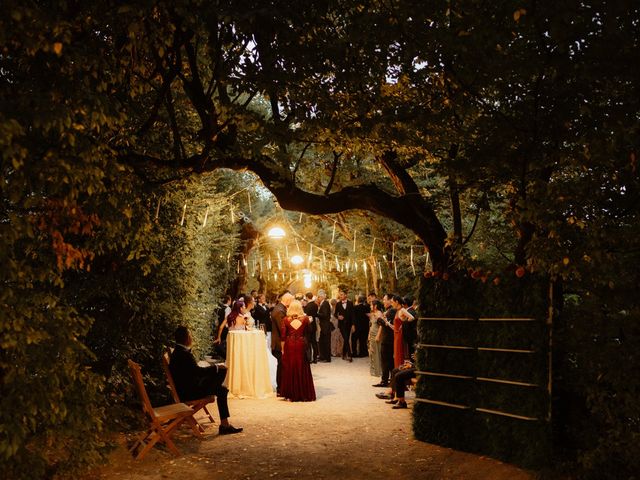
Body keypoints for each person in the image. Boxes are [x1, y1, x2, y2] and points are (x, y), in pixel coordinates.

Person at [169, 326, 243, 434]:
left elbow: (193, 371)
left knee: (221, 389)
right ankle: (224, 425)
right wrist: (216, 368)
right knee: (221, 375)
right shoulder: (184, 354)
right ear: (186, 338)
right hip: (189, 392)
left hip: (187, 388)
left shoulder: (179, 351)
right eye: (190, 335)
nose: (191, 337)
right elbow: (198, 372)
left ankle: (225, 424)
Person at [279, 300, 316, 402]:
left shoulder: (286, 320)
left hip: (289, 344)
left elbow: (283, 336)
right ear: (300, 308)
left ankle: (290, 394)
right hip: (301, 344)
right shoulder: (305, 320)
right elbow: (309, 332)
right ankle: (303, 394)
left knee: (290, 367)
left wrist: (282, 349)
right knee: (301, 366)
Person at [270, 291, 294, 395]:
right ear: (288, 301)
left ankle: (282, 388)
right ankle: (280, 389)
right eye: (292, 301)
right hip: (279, 343)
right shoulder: (280, 311)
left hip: (279, 342)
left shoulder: (281, 308)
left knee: (282, 366)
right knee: (281, 366)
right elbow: (283, 329)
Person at [373, 293, 395, 387]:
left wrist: (379, 319)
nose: (383, 301)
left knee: (386, 361)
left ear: (391, 300)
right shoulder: (388, 311)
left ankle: (385, 381)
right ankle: (386, 380)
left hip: (388, 339)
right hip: (387, 338)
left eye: (385, 299)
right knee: (387, 361)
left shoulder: (391, 311)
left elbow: (386, 324)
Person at [391, 295, 414, 368]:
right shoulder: (398, 311)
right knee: (397, 354)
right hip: (396, 335)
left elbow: (412, 318)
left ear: (397, 302)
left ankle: (400, 372)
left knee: (400, 354)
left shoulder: (402, 310)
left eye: (392, 302)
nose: (392, 304)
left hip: (400, 335)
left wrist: (404, 323)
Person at [334, 290, 354, 362]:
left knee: (346, 339)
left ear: (345, 295)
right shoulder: (338, 304)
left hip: (348, 324)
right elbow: (335, 314)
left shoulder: (350, 303)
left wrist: (353, 325)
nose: (340, 296)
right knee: (346, 338)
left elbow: (352, 315)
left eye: (342, 294)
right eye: (340, 295)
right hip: (341, 325)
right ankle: (349, 355)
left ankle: (343, 353)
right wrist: (338, 316)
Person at [368, 300, 384, 377]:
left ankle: (378, 371)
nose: (370, 306)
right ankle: (373, 370)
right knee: (372, 353)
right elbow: (371, 325)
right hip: (372, 334)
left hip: (376, 334)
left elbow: (381, 325)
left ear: (376, 306)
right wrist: (369, 334)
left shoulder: (379, 313)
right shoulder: (372, 314)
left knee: (377, 352)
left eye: (371, 305)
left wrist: (378, 335)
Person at [316, 289, 332, 362]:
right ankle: (323, 356)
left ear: (321, 297)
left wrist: (316, 314)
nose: (318, 298)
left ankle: (327, 358)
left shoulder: (325, 303)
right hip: (324, 326)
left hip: (326, 326)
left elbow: (324, 315)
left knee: (326, 342)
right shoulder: (323, 303)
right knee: (322, 341)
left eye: (318, 297)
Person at [303, 292, 319, 363]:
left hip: (308, 326)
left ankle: (309, 358)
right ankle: (315, 358)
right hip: (314, 325)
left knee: (308, 342)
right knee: (314, 342)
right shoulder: (315, 305)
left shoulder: (307, 306)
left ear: (307, 297)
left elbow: (305, 316)